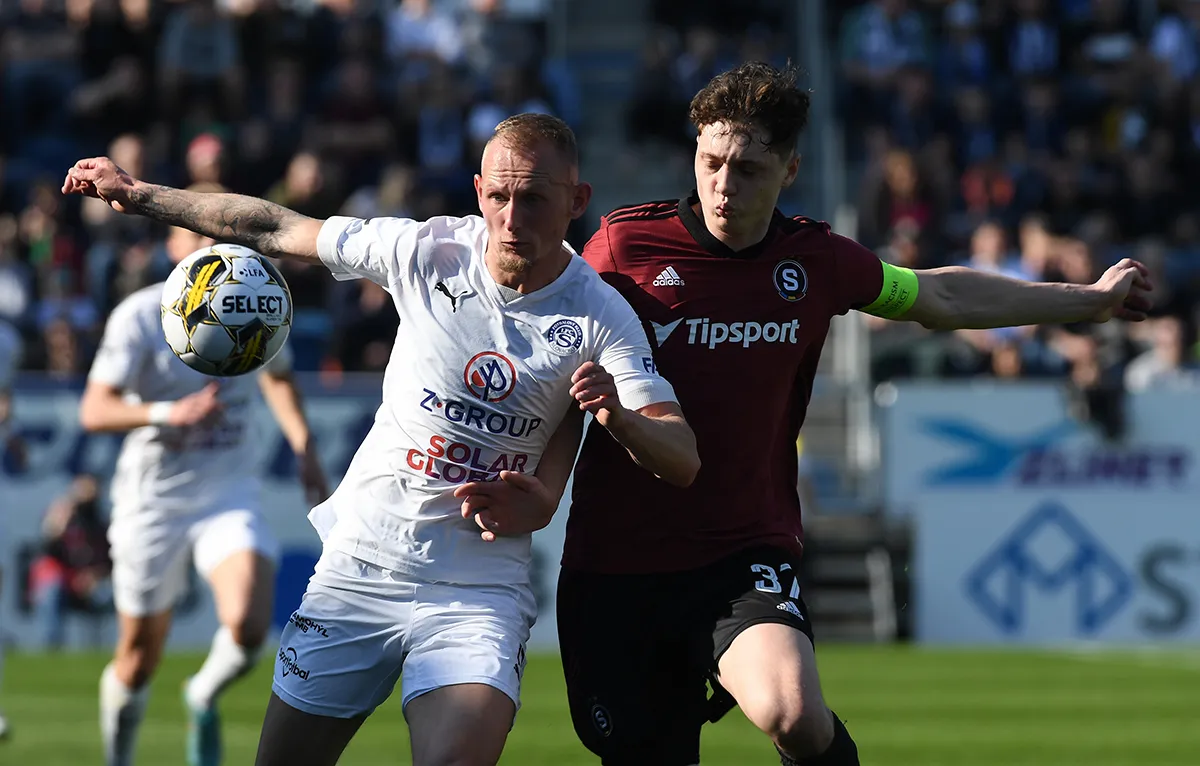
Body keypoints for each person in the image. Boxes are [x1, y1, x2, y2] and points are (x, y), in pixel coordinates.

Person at [548, 62, 1152, 766]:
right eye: (710, 161)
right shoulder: (623, 249)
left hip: (741, 551)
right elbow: (551, 362)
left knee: (794, 711)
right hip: (618, 559)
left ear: (791, 169)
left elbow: (941, 299)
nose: (723, 183)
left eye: (748, 168)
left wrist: (1088, 300)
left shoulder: (818, 260)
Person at [62, 112, 701, 766]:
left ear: (577, 200)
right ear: (479, 191)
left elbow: (680, 459)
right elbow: (274, 226)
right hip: (360, 567)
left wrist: (620, 419)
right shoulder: (426, 251)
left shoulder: (599, 315)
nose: (512, 218)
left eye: (535, 199)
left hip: (476, 587)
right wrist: (142, 195)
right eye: (500, 197)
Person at [75, 220, 330, 766]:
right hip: (153, 500)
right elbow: (94, 410)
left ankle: (202, 693)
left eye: (219, 236)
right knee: (139, 658)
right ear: (173, 245)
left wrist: (304, 444)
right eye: (195, 234)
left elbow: (278, 375)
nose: (210, 246)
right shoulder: (141, 316)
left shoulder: (256, 298)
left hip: (227, 491)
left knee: (248, 625)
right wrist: (170, 412)